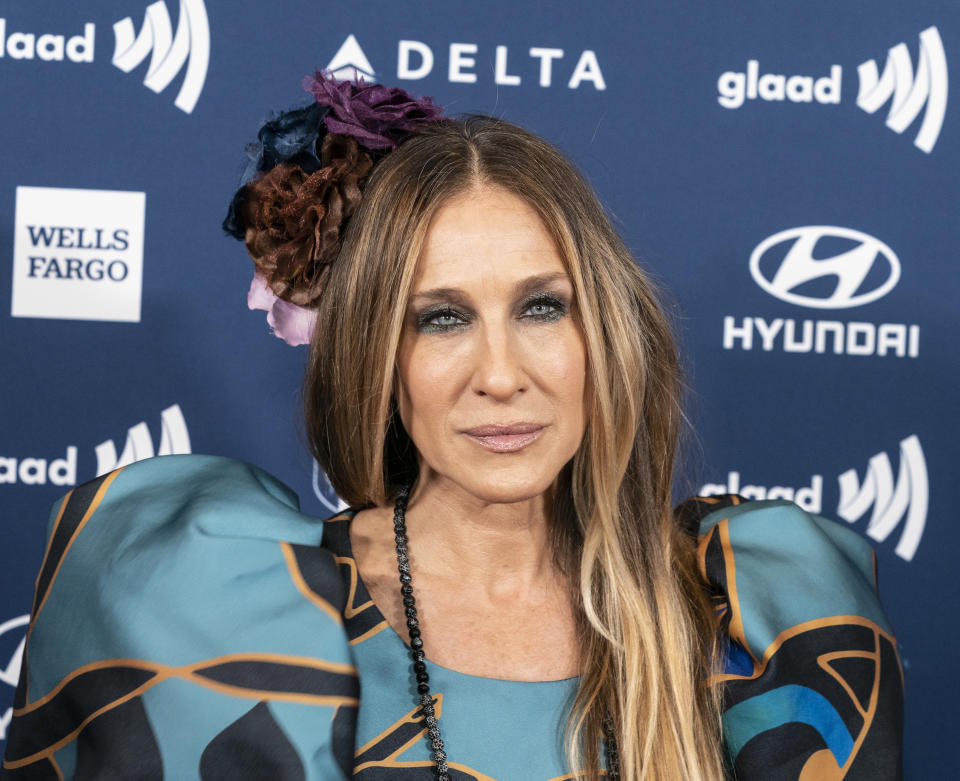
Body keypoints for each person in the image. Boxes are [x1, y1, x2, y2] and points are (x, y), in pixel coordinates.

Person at [1, 72, 903, 780]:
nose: (502, 375)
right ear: (374, 353)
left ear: (607, 331)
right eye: (442, 317)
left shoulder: (760, 630)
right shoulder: (202, 610)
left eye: (544, 308)